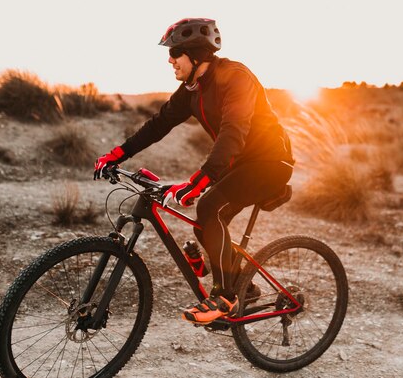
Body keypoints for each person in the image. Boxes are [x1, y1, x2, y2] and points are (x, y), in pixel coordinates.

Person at [94, 18, 294, 324]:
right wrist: (117, 154)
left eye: (175, 53)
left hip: (270, 162)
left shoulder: (235, 77)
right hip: (240, 163)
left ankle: (225, 297)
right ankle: (245, 287)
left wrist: (199, 181)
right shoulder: (191, 89)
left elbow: (233, 132)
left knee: (209, 207)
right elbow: (159, 124)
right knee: (206, 223)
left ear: (196, 54)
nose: (170, 60)